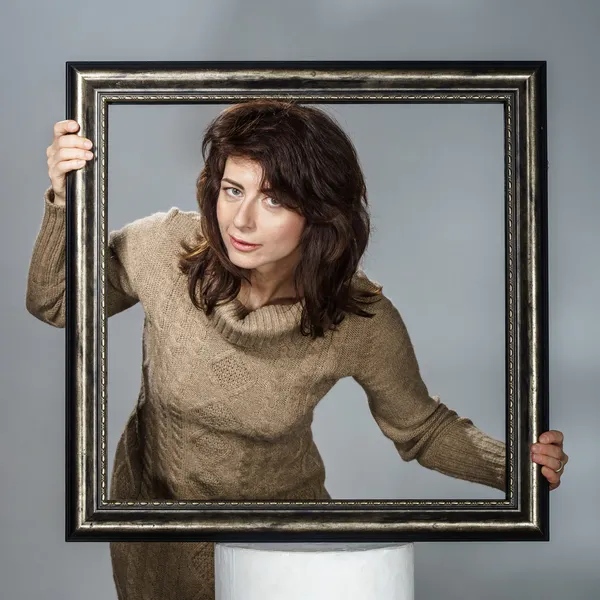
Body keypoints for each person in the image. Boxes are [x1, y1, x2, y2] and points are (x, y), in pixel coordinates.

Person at [26, 100, 568, 600]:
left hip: (283, 544)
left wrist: (517, 466)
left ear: (319, 211)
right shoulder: (163, 248)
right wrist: (63, 198)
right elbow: (55, 303)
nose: (241, 220)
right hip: (157, 535)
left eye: (275, 199)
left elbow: (422, 429)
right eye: (233, 189)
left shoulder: (359, 318)